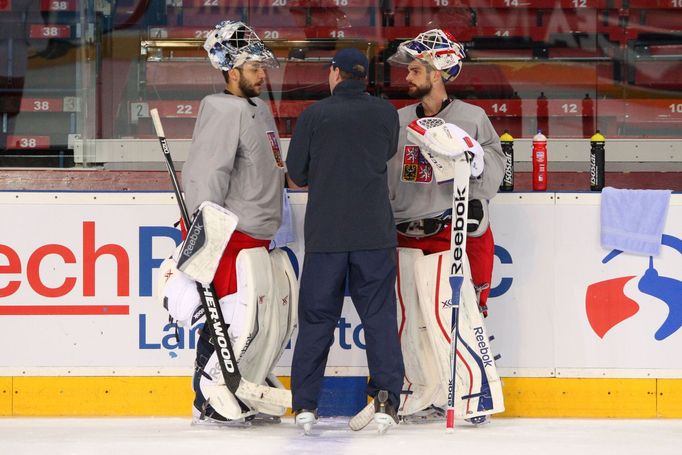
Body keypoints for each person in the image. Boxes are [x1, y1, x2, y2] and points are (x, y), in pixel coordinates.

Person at [386, 29, 506, 423]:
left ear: (436, 73)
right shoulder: (398, 119)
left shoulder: (472, 118)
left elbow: (493, 172)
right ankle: (420, 392)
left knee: (456, 315)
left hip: (447, 233)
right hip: (403, 232)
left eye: (416, 69)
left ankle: (473, 397)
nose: (407, 76)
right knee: (411, 321)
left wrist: (474, 173)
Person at [286, 48, 405, 434]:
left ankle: (305, 405)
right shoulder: (385, 113)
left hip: (327, 236)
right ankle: (386, 400)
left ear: (335, 74)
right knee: (380, 318)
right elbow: (386, 152)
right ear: (364, 77)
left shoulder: (314, 115)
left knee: (317, 319)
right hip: (374, 233)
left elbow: (297, 174)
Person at [177, 20, 290, 426]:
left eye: (262, 67)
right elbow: (207, 175)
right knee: (226, 322)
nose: (263, 74)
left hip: (259, 238)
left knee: (255, 327)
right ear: (231, 70)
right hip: (231, 239)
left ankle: (238, 387)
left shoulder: (255, 108)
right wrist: (205, 235)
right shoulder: (223, 109)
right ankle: (206, 398)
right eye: (255, 67)